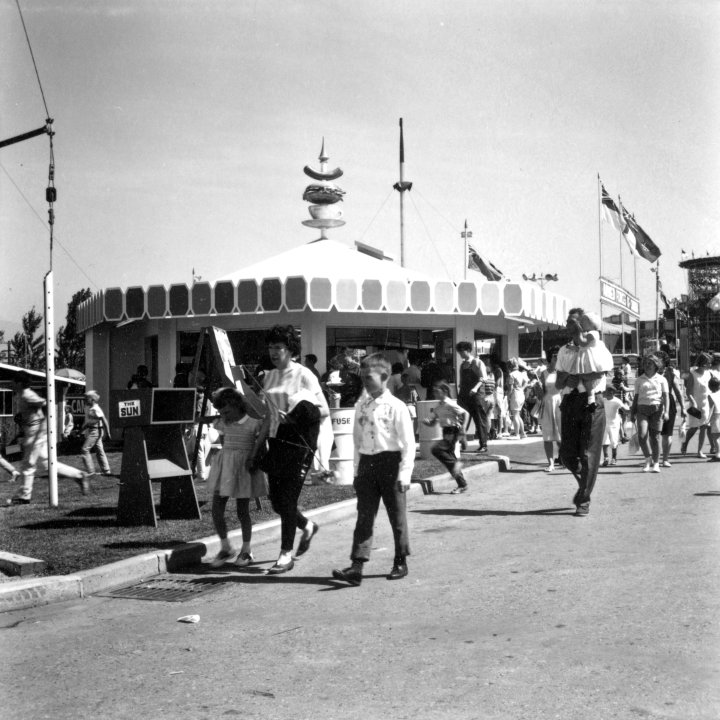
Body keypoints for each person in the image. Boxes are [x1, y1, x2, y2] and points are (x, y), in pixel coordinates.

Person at [332, 353, 416, 586]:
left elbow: (408, 443)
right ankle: (357, 566)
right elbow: (357, 440)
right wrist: (357, 471)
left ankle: (400, 560)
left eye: (369, 378)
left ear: (385, 377)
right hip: (368, 465)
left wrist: (405, 473)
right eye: (363, 378)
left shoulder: (396, 407)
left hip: (391, 464)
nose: (365, 383)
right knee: (364, 516)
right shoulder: (363, 406)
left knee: (396, 516)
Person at [257, 325, 329, 574]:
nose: (274, 352)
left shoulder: (304, 375)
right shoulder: (268, 376)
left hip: (300, 443)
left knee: (287, 499)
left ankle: (285, 554)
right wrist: (258, 446)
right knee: (277, 503)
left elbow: (324, 410)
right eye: (270, 347)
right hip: (277, 440)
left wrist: (295, 417)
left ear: (291, 350)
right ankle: (307, 526)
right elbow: (268, 415)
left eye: (279, 347)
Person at [555, 308, 614, 517]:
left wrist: (577, 377)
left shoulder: (597, 346)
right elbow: (557, 381)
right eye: (569, 323)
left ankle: (584, 500)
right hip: (570, 401)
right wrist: (567, 379)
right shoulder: (564, 350)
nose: (571, 326)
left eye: (576, 323)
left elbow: (600, 369)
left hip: (591, 403)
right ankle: (584, 483)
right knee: (567, 455)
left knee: (588, 453)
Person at [206, 387, 268, 568]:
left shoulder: (254, 424)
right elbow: (226, 445)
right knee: (217, 509)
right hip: (225, 469)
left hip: (244, 470)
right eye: (220, 412)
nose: (223, 415)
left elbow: (261, 448)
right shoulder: (223, 423)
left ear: (235, 405)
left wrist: (253, 463)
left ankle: (246, 550)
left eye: (226, 411)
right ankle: (225, 547)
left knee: (243, 511)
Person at [5, 372, 88, 506]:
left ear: (19, 383)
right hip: (33, 432)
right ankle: (79, 475)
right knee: (48, 464)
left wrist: (42, 427)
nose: (12, 384)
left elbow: (46, 405)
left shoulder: (27, 394)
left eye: (14, 381)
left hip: (36, 433)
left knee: (28, 464)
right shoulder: (21, 396)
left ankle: (24, 496)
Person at [423, 381, 469, 493]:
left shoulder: (450, 403)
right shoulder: (439, 406)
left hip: (453, 430)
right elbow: (433, 422)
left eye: (437, 392)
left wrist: (463, 429)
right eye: (434, 392)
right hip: (445, 431)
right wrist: (428, 422)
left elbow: (465, 413)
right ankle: (462, 484)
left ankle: (455, 465)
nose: (435, 394)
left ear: (444, 392)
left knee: (436, 449)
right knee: (449, 456)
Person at [630, 355, 669, 474]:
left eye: (650, 363)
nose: (647, 365)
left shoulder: (662, 379)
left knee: (655, 438)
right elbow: (636, 397)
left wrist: (666, 411)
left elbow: (666, 396)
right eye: (646, 363)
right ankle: (648, 459)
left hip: (657, 409)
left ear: (656, 365)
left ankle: (656, 463)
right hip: (642, 409)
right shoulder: (639, 380)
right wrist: (632, 413)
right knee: (642, 436)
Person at [455, 341, 489, 452]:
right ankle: (461, 442)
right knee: (460, 419)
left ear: (468, 350)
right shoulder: (462, 365)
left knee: (479, 419)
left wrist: (475, 388)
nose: (460, 354)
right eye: (459, 352)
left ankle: (483, 444)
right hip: (464, 395)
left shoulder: (477, 362)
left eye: (462, 351)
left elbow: (483, 378)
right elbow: (461, 382)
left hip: (476, 395)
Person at [681, 352, 712, 458]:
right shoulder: (692, 374)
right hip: (695, 404)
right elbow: (688, 392)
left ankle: (699, 451)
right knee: (694, 428)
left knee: (703, 427)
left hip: (705, 404)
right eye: (708, 363)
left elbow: (711, 389)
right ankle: (685, 443)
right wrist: (693, 402)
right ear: (703, 363)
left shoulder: (708, 374)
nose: (709, 365)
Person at [659, 355, 686, 467]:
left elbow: (678, 391)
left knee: (667, 434)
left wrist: (683, 407)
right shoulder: (648, 372)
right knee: (652, 434)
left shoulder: (670, 373)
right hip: (652, 403)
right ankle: (653, 458)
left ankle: (665, 458)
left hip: (668, 404)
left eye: (658, 360)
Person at [538, 345, 562, 472]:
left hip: (559, 403)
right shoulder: (543, 373)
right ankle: (550, 463)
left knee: (560, 434)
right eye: (554, 356)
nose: (556, 358)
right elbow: (541, 393)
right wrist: (536, 386)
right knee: (547, 435)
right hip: (547, 403)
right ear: (549, 358)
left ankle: (562, 457)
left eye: (558, 355)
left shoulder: (562, 372)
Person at [80, 391, 112, 477]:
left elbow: (104, 420)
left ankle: (90, 471)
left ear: (92, 400)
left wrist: (108, 432)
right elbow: (89, 423)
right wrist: (81, 430)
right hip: (94, 430)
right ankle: (106, 471)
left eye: (86, 399)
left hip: (95, 432)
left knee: (85, 449)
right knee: (100, 451)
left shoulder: (95, 409)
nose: (85, 400)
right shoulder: (91, 409)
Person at [601, 387, 627, 467]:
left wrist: (632, 413)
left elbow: (625, 410)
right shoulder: (603, 400)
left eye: (610, 392)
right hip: (604, 423)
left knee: (614, 442)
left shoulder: (617, 401)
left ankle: (614, 458)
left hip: (614, 424)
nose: (608, 393)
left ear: (614, 393)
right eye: (607, 392)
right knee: (604, 441)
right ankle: (606, 458)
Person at [507, 358, 528, 440]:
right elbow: (526, 382)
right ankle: (522, 433)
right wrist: (522, 388)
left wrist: (508, 396)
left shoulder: (511, 375)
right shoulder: (521, 373)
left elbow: (511, 388)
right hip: (521, 393)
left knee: (515, 415)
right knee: (518, 415)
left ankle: (516, 434)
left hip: (515, 394)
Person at [707, 376, 720, 462]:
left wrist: (708, 420)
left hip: (716, 416)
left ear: (710, 386)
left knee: (715, 437)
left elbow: (711, 408)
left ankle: (718, 454)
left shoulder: (711, 395)